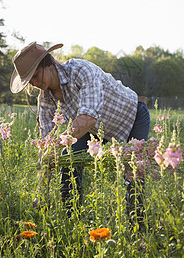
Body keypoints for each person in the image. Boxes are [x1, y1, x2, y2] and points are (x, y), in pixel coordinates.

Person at [10, 41, 150, 218]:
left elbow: (87, 118)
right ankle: (73, 218)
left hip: (131, 116)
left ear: (48, 64)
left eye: (36, 76)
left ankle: (138, 227)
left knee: (133, 171)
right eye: (30, 81)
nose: (35, 83)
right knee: (68, 160)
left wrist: (55, 145)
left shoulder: (82, 71)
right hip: (92, 130)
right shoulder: (45, 99)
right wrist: (42, 191)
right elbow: (46, 147)